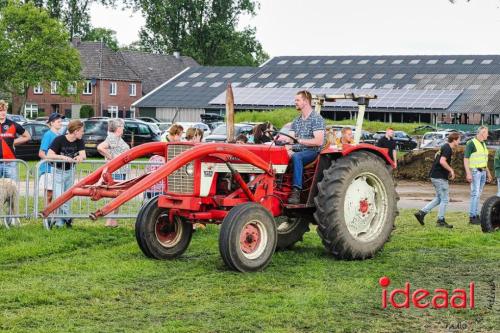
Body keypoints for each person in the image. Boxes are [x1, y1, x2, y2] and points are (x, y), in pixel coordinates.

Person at [414, 132, 460, 228]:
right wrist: (451, 170)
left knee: (439, 199)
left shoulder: (444, 147)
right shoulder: (448, 149)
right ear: (454, 140)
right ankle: (440, 221)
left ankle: (421, 213)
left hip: (435, 175)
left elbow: (437, 158)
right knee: (445, 199)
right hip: (439, 177)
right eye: (459, 139)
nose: (459, 141)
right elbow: (442, 161)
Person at [287, 90, 325, 204]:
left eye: (297, 100)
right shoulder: (296, 121)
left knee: (297, 157)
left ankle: (296, 191)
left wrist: (300, 141)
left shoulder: (316, 119)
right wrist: (287, 148)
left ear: (306, 101)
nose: (295, 102)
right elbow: (290, 139)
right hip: (297, 150)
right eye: (295, 100)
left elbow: (319, 141)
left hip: (312, 151)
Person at [47, 120, 86, 228]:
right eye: (82, 131)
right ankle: (69, 218)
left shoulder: (79, 141)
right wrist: (62, 157)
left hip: (70, 171)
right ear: (75, 131)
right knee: (59, 197)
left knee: (67, 197)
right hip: (58, 171)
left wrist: (80, 157)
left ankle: (60, 222)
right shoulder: (59, 139)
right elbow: (49, 154)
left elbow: (83, 155)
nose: (83, 133)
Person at [97, 118, 130, 228]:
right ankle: (109, 221)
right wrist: (112, 158)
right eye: (122, 126)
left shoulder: (116, 138)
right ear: (117, 128)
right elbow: (100, 147)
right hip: (116, 171)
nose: (123, 128)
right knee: (114, 196)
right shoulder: (113, 138)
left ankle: (113, 220)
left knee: (117, 196)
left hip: (120, 171)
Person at [463, 126, 492, 225]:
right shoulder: (471, 143)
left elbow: (484, 160)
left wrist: (488, 172)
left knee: (478, 194)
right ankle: (472, 216)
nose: (488, 135)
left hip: (483, 171)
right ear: (482, 133)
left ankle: (475, 215)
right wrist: (468, 173)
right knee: (475, 194)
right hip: (475, 172)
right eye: (487, 133)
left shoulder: (483, 144)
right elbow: (466, 159)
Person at [0, 100, 31, 179]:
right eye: (0, 110)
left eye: (4, 110)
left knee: (12, 190)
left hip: (10, 163)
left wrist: (13, 142)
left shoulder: (13, 124)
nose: (3, 112)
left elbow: (27, 136)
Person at [38, 112, 65, 204]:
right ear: (51, 123)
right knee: (49, 194)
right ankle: (47, 215)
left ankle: (53, 215)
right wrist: (50, 160)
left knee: (57, 194)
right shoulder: (48, 135)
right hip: (48, 169)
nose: (60, 123)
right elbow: (41, 153)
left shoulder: (60, 136)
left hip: (57, 169)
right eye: (58, 121)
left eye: (61, 121)